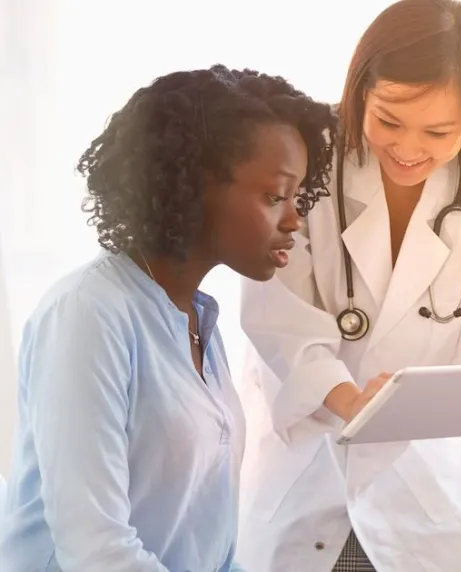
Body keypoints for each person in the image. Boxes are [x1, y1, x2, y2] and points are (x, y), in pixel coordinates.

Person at [235, 1, 461, 570]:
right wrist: (351, 401)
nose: (409, 149)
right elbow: (276, 318)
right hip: (309, 484)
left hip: (426, 504)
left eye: (439, 131)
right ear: (361, 89)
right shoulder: (305, 164)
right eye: (388, 120)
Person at [0, 65, 338, 571]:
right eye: (275, 196)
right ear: (194, 186)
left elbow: (211, 547)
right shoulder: (87, 316)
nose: (294, 219)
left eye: (297, 197)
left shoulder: (198, 321)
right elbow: (96, 550)